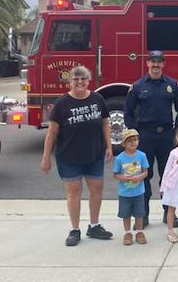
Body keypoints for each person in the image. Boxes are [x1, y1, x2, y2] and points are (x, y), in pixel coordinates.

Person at [41, 65, 113, 247]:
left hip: (94, 154)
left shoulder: (97, 99)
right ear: (69, 82)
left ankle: (94, 226)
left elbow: (105, 123)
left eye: (83, 79)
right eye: (76, 79)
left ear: (89, 81)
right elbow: (52, 132)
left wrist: (109, 146)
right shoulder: (61, 103)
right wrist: (46, 157)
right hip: (69, 157)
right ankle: (75, 229)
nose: (80, 82)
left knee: (96, 189)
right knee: (74, 192)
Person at [124, 50, 178, 227]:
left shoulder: (172, 85)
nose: (156, 65)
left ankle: (169, 212)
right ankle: (143, 214)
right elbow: (128, 111)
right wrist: (133, 134)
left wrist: (177, 131)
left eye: (159, 62)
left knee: (168, 176)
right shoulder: (138, 86)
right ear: (148, 63)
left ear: (163, 64)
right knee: (144, 175)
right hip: (145, 136)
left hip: (167, 136)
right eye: (153, 61)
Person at [113, 129, 149, 245]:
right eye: (130, 141)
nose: (133, 142)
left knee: (139, 213)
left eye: (135, 140)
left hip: (138, 191)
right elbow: (115, 174)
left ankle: (139, 231)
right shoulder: (119, 158)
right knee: (126, 213)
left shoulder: (141, 156)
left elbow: (146, 171)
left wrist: (139, 177)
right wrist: (123, 177)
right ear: (124, 143)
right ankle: (127, 232)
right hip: (125, 192)